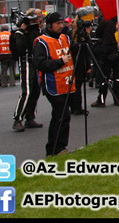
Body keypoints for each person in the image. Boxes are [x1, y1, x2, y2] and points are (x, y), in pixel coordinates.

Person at [34, 12, 78, 157]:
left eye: (61, 23)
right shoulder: (42, 42)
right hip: (53, 85)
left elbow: (76, 49)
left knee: (61, 116)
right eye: (58, 23)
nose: (61, 26)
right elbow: (40, 64)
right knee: (62, 115)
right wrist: (60, 62)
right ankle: (58, 148)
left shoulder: (64, 37)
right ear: (49, 25)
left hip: (66, 83)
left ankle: (54, 148)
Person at [12, 9, 44, 131]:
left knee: (36, 90)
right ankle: (17, 118)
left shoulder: (38, 32)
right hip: (26, 62)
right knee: (28, 91)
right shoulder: (20, 33)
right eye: (36, 19)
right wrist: (24, 31)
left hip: (36, 62)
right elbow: (20, 49)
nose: (38, 21)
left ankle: (30, 117)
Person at [91, 14, 119, 107]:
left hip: (106, 49)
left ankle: (101, 99)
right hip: (116, 49)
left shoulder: (105, 21)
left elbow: (98, 33)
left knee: (104, 76)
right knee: (117, 75)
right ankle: (118, 97)